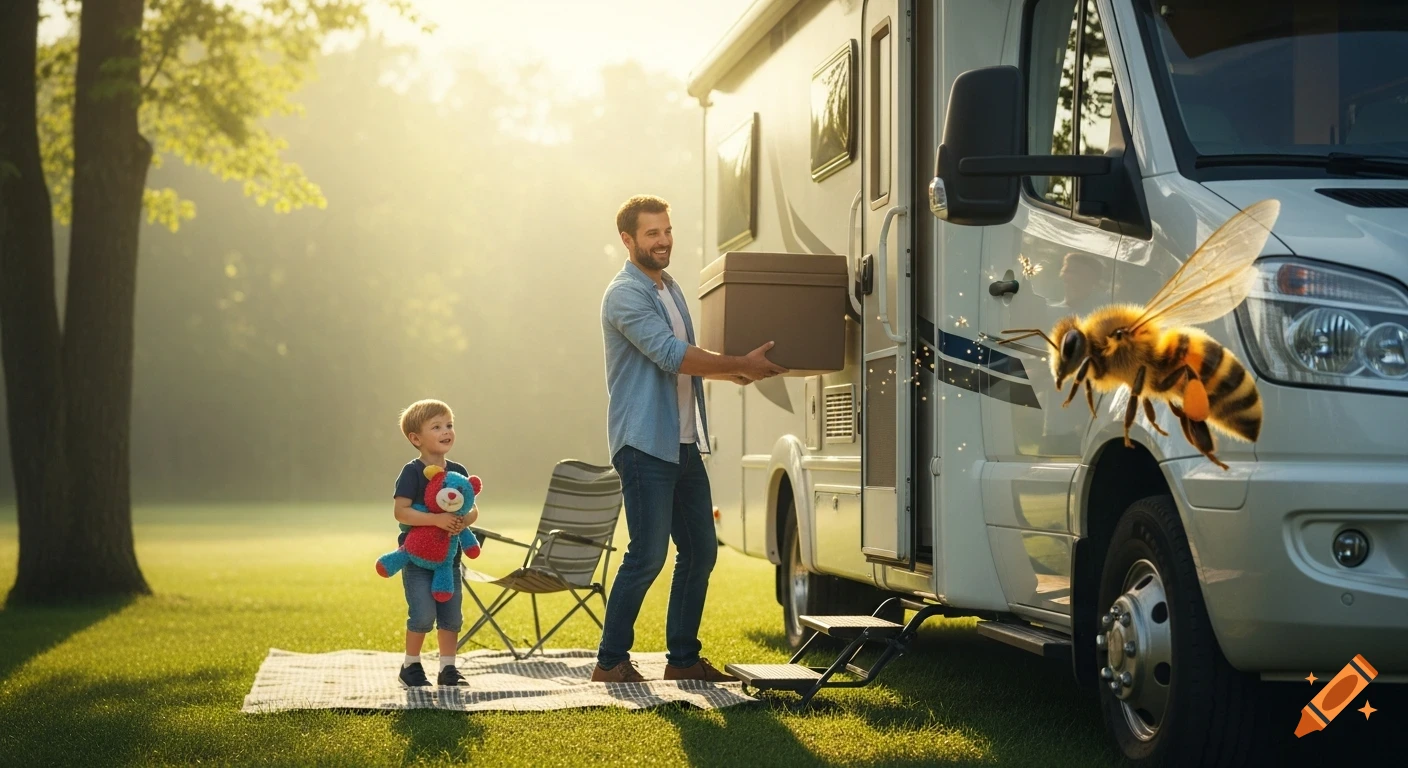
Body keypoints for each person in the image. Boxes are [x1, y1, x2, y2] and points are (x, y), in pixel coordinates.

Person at [594, 195, 787, 683]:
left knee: (701, 550)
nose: (662, 241)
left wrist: (737, 372)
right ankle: (610, 662)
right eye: (651, 233)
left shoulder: (671, 289)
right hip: (643, 444)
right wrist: (738, 363)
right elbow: (669, 355)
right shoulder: (624, 294)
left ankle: (682, 661)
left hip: (682, 442)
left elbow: (691, 360)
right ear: (628, 240)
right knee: (647, 554)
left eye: (667, 231)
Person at [390, 398, 477, 688]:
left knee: (451, 615)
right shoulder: (412, 472)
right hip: (416, 560)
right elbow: (401, 511)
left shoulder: (458, 471)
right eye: (436, 426)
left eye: (449, 425)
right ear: (416, 438)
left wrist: (462, 521)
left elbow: (472, 509)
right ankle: (411, 666)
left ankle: (448, 669)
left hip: (449, 560)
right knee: (423, 614)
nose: (446, 431)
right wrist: (437, 521)